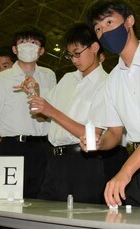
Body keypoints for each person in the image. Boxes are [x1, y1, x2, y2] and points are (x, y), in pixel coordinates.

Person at [24, 23, 128, 204]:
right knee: (45, 214)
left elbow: (92, 135)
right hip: (55, 161)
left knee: (81, 216)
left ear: (95, 48)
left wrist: (52, 111)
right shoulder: (66, 79)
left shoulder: (106, 84)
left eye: (77, 53)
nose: (74, 60)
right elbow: (42, 116)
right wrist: (35, 95)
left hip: (84, 161)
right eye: (70, 55)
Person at [0, 26, 57, 198]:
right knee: (8, 205)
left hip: (44, 149)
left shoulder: (49, 75)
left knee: (42, 206)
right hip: (12, 148)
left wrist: (36, 95)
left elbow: (48, 116)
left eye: (34, 42)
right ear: (15, 49)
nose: (28, 46)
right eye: (23, 42)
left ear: (41, 50)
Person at [84, 0, 140, 207]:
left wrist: (125, 172)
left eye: (109, 22)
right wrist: (100, 143)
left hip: (132, 167)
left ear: (129, 21)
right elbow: (115, 133)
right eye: (98, 29)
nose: (104, 32)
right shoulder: (112, 81)